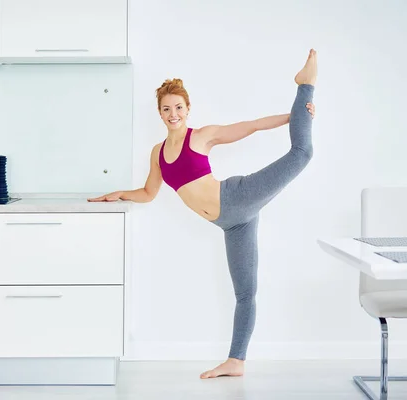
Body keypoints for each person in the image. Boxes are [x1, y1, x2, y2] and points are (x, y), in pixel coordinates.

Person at [88, 49, 318, 378]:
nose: (173, 113)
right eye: (166, 109)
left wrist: (297, 113)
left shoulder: (202, 136)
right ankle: (236, 361)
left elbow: (250, 127)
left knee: (302, 152)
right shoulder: (158, 154)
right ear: (159, 112)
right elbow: (149, 193)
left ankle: (305, 85)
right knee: (245, 293)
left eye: (178, 107)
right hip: (232, 223)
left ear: (188, 109)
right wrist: (119, 194)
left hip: (238, 196)